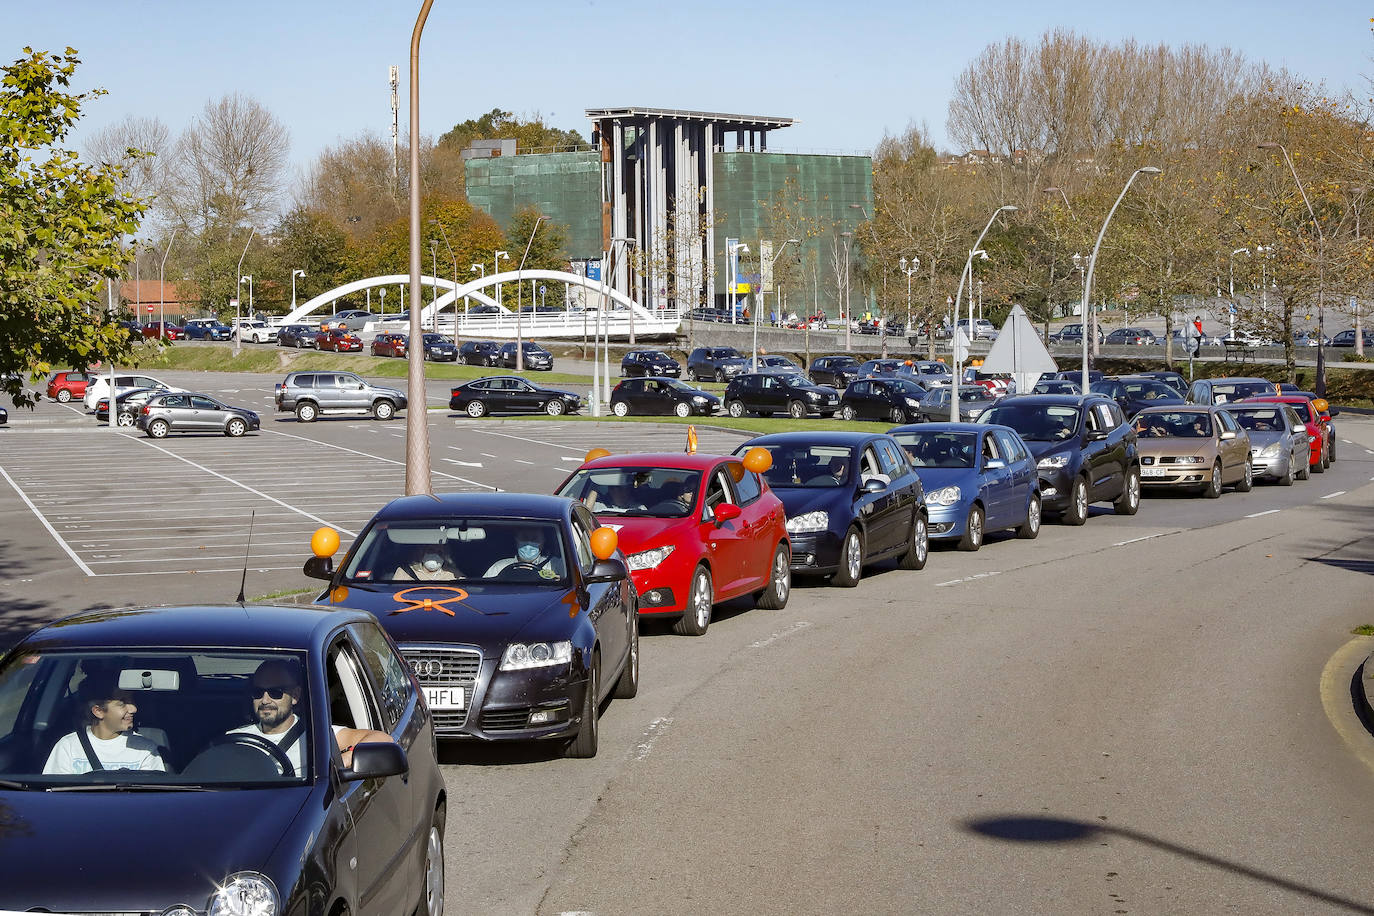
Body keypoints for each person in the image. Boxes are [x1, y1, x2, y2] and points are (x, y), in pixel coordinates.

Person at [228, 660, 391, 773]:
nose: (265, 700)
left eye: (275, 692)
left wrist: (343, 760)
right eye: (258, 692)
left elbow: (382, 740)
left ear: (295, 696)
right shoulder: (233, 739)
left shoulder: (318, 735)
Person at [44, 673, 166, 775]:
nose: (133, 709)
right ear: (99, 711)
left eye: (132, 700)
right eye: (122, 703)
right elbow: (54, 791)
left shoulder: (145, 749)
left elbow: (153, 793)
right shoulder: (68, 746)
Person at [485, 524, 566, 579]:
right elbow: (485, 590)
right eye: (524, 537)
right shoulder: (499, 567)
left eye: (534, 539)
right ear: (516, 540)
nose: (528, 543)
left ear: (543, 542)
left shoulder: (555, 565)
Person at [391, 542, 458, 581]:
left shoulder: (453, 574)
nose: (435, 555)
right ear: (421, 552)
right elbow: (394, 593)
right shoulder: (404, 572)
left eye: (439, 552)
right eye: (431, 550)